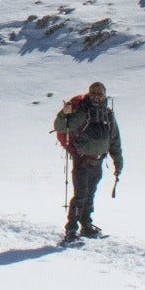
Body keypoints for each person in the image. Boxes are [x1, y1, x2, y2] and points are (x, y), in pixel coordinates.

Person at [54, 81, 124, 243]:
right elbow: (60, 127)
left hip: (98, 161)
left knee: (89, 195)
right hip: (82, 161)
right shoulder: (81, 113)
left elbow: (114, 140)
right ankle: (71, 231)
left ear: (104, 95)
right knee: (80, 196)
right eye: (94, 93)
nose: (96, 97)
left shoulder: (107, 115)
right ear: (89, 93)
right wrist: (64, 114)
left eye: (100, 94)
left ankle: (86, 225)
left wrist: (118, 162)